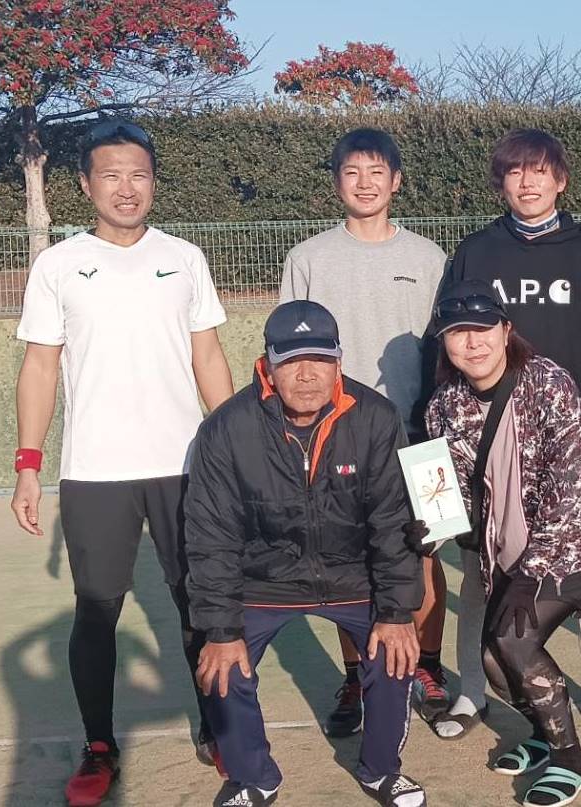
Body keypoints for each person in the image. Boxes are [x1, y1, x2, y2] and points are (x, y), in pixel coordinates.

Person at [10, 119, 234, 807]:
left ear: (154, 181)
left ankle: (220, 727)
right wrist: (27, 464)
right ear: (85, 185)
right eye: (111, 174)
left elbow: (207, 356)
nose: (126, 187)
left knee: (199, 602)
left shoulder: (185, 258)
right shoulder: (57, 265)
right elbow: (40, 366)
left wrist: (235, 447)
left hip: (185, 467)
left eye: (138, 174)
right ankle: (100, 745)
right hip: (95, 471)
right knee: (97, 609)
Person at [436, 128, 581, 739]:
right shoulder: (476, 251)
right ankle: (472, 693)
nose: (527, 182)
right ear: (500, 182)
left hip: (562, 443)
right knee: (481, 575)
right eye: (514, 172)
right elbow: (441, 342)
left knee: (580, 572)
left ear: (561, 180)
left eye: (539, 171)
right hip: (485, 447)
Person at [183, 299, 427, 807]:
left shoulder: (375, 418)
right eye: (292, 360)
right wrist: (221, 631)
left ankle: (381, 770)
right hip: (263, 580)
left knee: (396, 649)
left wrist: (396, 612)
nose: (307, 374)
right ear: (268, 365)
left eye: (320, 358)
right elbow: (212, 537)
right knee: (221, 664)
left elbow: (392, 523)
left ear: (339, 361)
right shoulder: (226, 429)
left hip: (352, 575)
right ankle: (253, 778)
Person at [421, 279, 581, 807]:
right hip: (510, 546)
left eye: (483, 328)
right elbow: (451, 492)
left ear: (506, 330)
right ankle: (542, 732)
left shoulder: (548, 382)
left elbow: (568, 486)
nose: (472, 342)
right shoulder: (444, 406)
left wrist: (529, 575)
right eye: (457, 332)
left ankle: (571, 758)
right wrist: (424, 530)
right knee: (493, 653)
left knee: (514, 641)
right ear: (443, 343)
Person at [280, 128, 450, 735]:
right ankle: (357, 677)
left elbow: (449, 347)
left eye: (377, 171)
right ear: (337, 182)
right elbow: (287, 356)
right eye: (352, 172)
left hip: (424, 434)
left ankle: (428, 668)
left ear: (396, 181)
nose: (365, 182)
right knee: (347, 560)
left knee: (427, 554)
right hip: (335, 438)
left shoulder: (429, 258)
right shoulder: (307, 259)